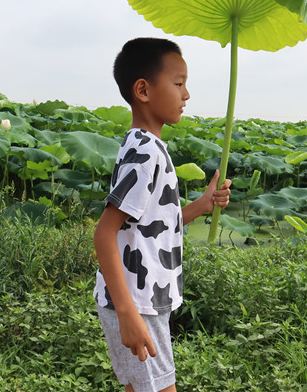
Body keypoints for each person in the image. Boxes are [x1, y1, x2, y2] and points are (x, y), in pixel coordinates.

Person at [93, 37, 232, 392]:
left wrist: (202, 205)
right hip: (136, 301)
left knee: (141, 387)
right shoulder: (146, 153)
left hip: (142, 297)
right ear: (143, 89)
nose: (186, 95)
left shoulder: (144, 144)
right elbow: (105, 232)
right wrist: (128, 314)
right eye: (179, 83)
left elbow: (149, 226)